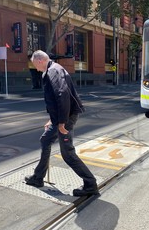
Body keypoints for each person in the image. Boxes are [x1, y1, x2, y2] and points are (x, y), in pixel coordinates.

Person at [25, 50, 99, 197]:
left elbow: (62, 94)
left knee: (68, 154)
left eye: (34, 64)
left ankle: (90, 184)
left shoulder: (54, 71)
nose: (35, 67)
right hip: (60, 117)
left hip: (66, 118)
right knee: (45, 139)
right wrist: (52, 119)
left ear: (39, 60)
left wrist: (61, 122)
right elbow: (55, 99)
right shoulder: (52, 69)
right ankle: (38, 178)